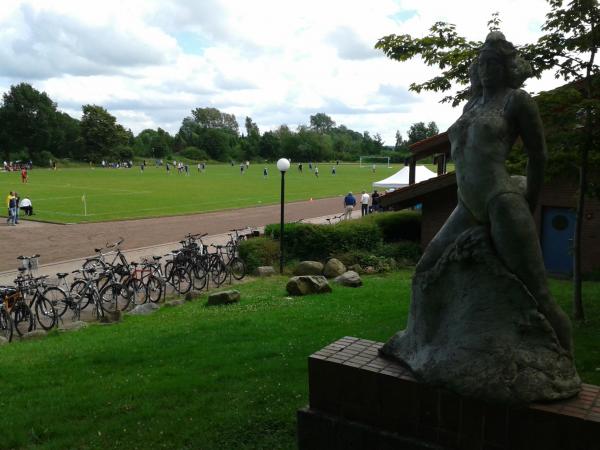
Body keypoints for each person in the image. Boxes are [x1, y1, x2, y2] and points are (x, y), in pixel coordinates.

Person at [415, 31, 573, 354]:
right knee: (425, 267)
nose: (487, 70)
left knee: (538, 293)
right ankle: (420, 343)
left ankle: (566, 358)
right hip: (466, 206)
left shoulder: (517, 101)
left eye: (494, 63)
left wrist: (529, 201)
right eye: (482, 63)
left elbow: (538, 155)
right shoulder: (471, 103)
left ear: (507, 67)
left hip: (500, 201)